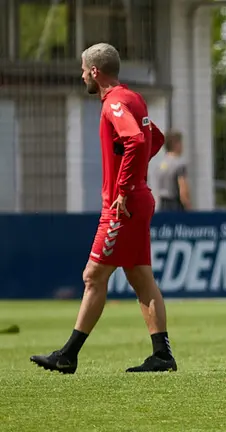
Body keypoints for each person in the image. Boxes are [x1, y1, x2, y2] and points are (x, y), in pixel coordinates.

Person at [30, 43, 177, 374]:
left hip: (122, 206)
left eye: (83, 69)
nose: (81, 74)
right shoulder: (133, 98)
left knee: (93, 275)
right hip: (138, 199)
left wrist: (125, 186)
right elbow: (156, 137)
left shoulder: (114, 104)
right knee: (141, 278)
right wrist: (135, 176)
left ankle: (68, 354)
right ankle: (162, 355)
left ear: (95, 72)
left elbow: (139, 142)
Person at [153, 130, 192, 211]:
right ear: (176, 144)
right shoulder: (179, 164)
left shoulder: (160, 165)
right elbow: (183, 191)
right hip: (175, 205)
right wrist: (188, 207)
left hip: (162, 205)